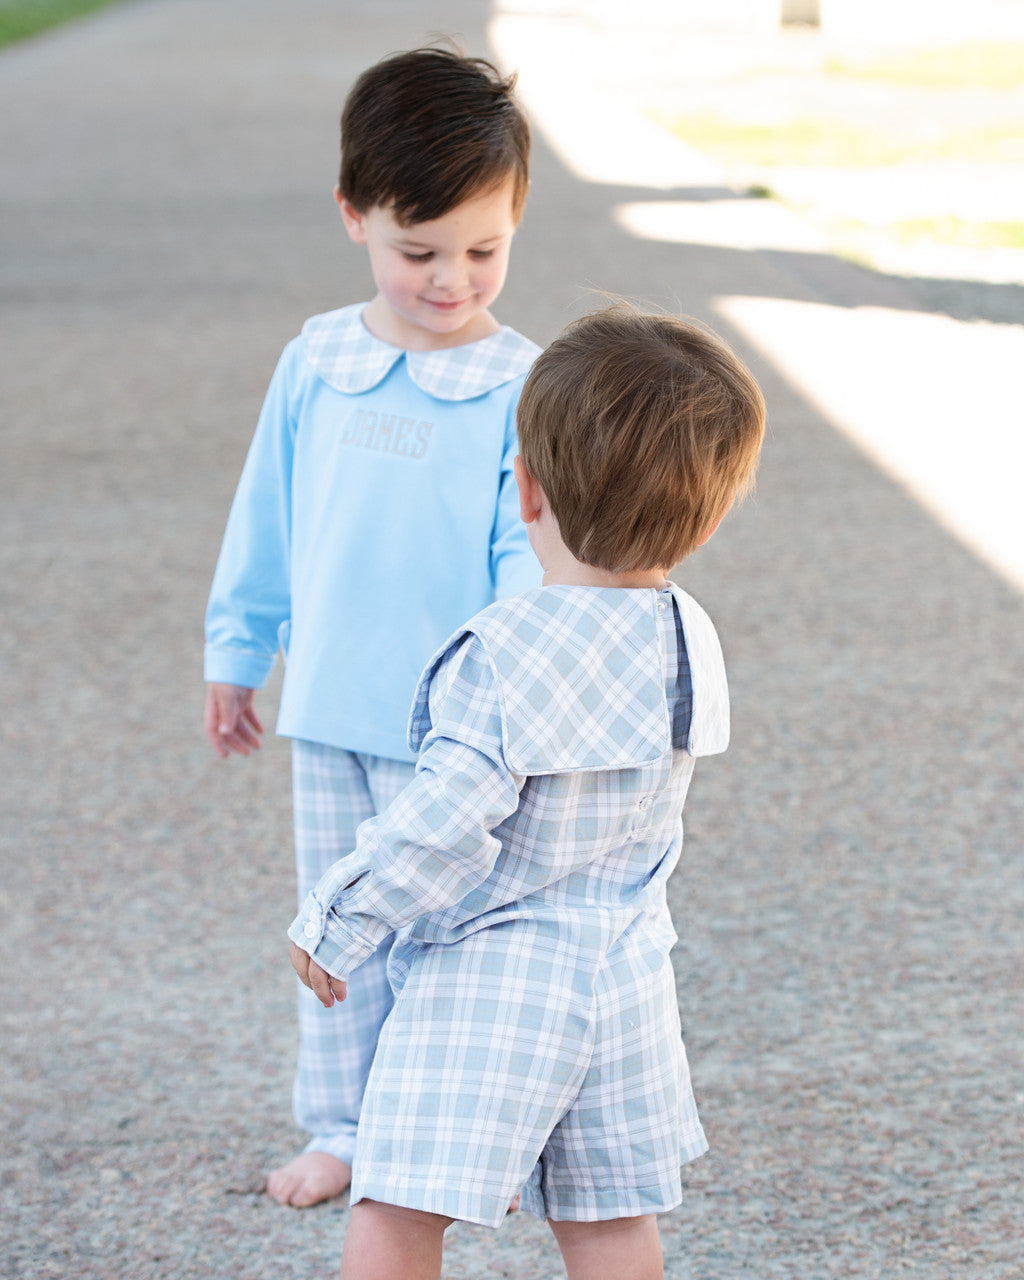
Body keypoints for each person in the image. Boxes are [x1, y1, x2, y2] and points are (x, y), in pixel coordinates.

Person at [288, 305, 767, 1279]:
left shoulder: (502, 650)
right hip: (625, 978)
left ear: (525, 491)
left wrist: (338, 915)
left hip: (493, 975)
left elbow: (443, 819)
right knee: (607, 1221)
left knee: (397, 1201)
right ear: (710, 519)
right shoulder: (689, 638)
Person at [203, 46, 541, 1208]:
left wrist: (507, 698)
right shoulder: (321, 358)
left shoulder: (518, 381)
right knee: (336, 929)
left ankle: (438, 1119)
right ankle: (343, 1123)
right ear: (355, 217)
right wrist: (235, 654)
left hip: (456, 727)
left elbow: (522, 551)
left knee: (446, 926)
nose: (452, 280)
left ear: (515, 222)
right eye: (419, 251)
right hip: (333, 708)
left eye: (483, 250)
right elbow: (268, 513)